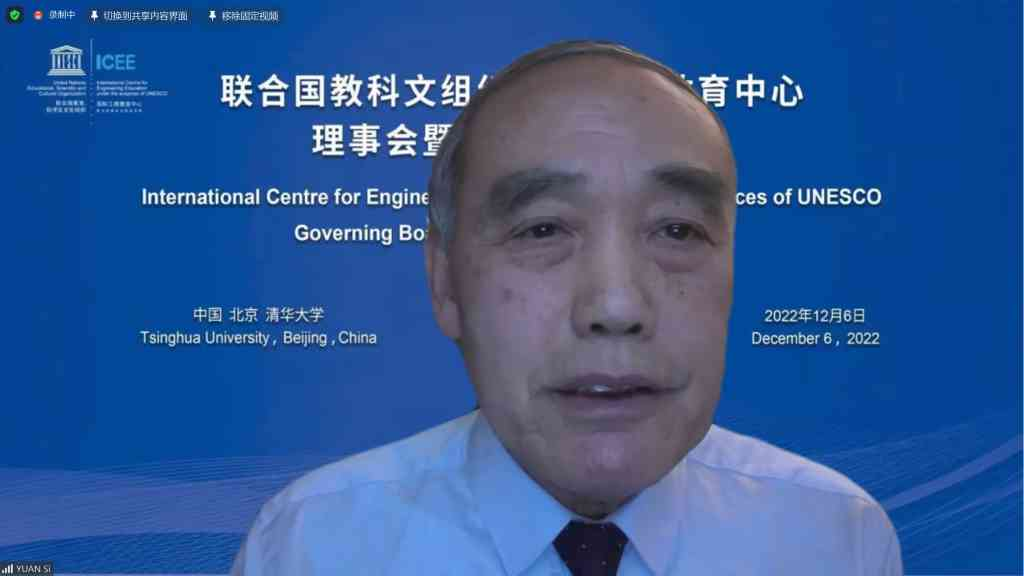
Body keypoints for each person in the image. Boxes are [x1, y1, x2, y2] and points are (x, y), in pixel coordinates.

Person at [231, 40, 902, 575]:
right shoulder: (311, 546)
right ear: (445, 283)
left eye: (677, 230)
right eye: (543, 229)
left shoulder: (834, 538)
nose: (616, 305)